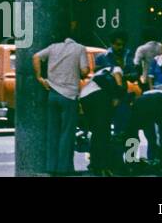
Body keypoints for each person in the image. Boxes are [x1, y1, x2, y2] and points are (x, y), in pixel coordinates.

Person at [33, 25, 91, 176]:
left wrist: (40, 77)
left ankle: (51, 166)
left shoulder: (53, 47)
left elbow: (36, 57)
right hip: (69, 95)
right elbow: (85, 70)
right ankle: (64, 167)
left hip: (52, 93)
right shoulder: (80, 49)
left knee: (53, 131)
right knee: (67, 132)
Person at [79, 63, 124, 175]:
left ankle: (95, 163)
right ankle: (104, 165)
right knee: (104, 132)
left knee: (96, 132)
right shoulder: (117, 68)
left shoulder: (98, 73)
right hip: (98, 97)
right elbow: (119, 84)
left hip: (85, 98)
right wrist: (118, 96)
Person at [124, 81, 162, 175]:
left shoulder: (147, 93)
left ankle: (130, 163)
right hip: (160, 102)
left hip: (141, 102)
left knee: (132, 133)